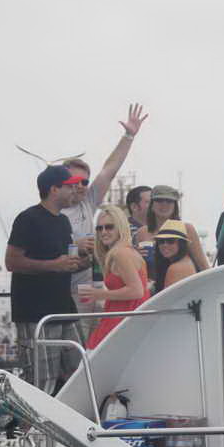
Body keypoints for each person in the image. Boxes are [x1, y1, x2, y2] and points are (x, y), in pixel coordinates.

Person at [5, 165, 87, 393]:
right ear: (53, 189)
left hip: (64, 309)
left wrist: (88, 259)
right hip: (35, 313)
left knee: (80, 371)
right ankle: (31, 417)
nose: (75, 190)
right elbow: (11, 262)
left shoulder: (63, 221)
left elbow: (63, 262)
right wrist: (54, 265)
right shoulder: (28, 219)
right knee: (41, 381)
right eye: (70, 186)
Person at [61, 104, 148, 311]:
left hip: (84, 290)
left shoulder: (87, 202)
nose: (81, 186)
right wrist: (74, 245)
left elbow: (109, 170)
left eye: (85, 181)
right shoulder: (51, 211)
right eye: (75, 181)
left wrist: (128, 136)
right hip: (55, 289)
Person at [85, 206, 150, 350]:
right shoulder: (126, 251)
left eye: (109, 227)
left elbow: (136, 291)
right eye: (99, 228)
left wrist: (100, 294)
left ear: (120, 227)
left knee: (93, 359)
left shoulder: (120, 253)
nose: (103, 232)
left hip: (122, 322)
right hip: (125, 321)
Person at [135, 185, 210, 272]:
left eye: (169, 201)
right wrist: (135, 255)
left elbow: (202, 264)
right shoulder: (142, 232)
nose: (164, 205)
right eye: (159, 200)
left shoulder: (187, 229)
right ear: (152, 205)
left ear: (175, 206)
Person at [151, 220, 198, 293]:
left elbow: (166, 298)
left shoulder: (176, 268)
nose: (165, 245)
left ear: (181, 243)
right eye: (161, 241)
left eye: (171, 241)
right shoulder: (186, 261)